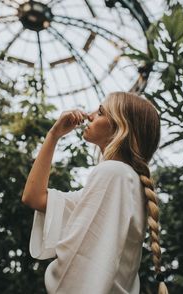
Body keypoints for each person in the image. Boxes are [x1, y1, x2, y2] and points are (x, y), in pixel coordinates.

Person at [22, 91, 169, 294]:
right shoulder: (122, 179)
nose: (90, 115)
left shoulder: (114, 174)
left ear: (120, 128)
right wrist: (53, 135)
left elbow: (83, 267)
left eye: (100, 112)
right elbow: (34, 197)